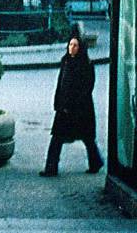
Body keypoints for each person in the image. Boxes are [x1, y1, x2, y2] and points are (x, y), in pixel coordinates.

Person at [39, 36, 104, 177]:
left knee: (87, 137)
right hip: (64, 108)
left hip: (81, 109)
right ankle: (51, 167)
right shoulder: (66, 61)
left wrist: (74, 103)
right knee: (57, 137)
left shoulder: (86, 64)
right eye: (70, 45)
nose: (72, 48)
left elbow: (87, 88)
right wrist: (58, 102)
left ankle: (95, 162)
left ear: (80, 48)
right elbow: (60, 83)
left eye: (75, 45)